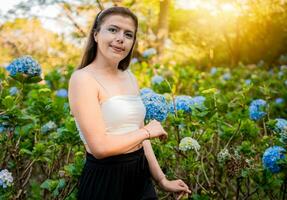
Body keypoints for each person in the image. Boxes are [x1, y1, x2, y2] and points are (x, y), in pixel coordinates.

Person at [68, 6, 191, 200]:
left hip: (140, 177)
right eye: (113, 29)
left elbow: (140, 134)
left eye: (128, 34)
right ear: (96, 34)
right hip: (106, 180)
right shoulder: (82, 79)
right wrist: (147, 132)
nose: (120, 38)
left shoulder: (129, 76)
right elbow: (100, 148)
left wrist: (162, 180)